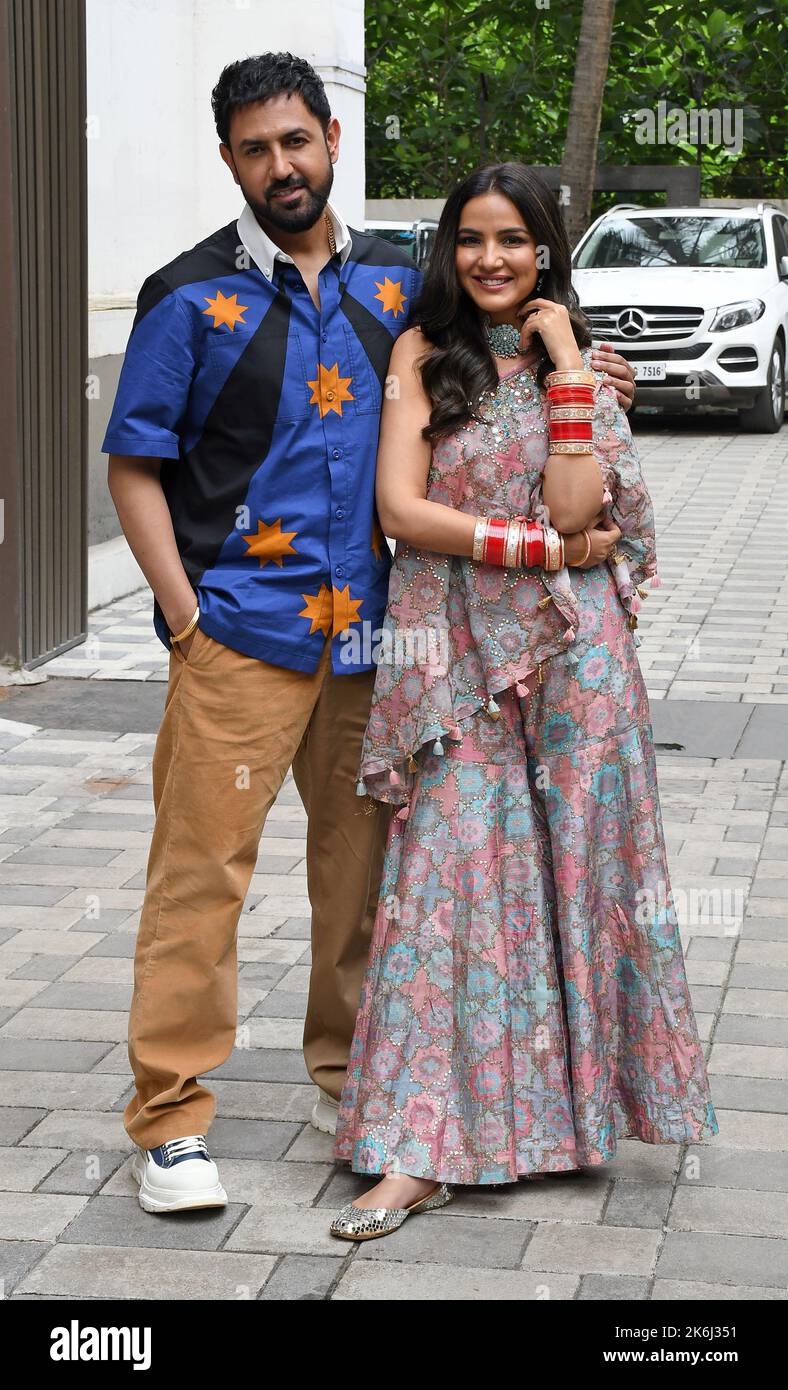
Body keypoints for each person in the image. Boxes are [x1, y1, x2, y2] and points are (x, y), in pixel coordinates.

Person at [103, 51, 635, 1214]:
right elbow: (133, 467)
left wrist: (589, 367)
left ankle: (353, 1090)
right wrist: (185, 618)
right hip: (238, 636)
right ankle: (171, 1122)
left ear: (332, 140)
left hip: (374, 650)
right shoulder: (185, 296)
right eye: (255, 148)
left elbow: (494, 345)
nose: (279, 165)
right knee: (200, 880)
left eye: (295, 140)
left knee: (361, 889)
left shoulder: (399, 284)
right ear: (230, 159)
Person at [329, 163, 718, 1242]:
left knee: (581, 877)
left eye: (512, 240)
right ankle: (414, 1151)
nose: (489, 258)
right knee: (443, 885)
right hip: (454, 661)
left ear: (544, 252)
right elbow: (401, 511)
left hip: (574, 658)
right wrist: (538, 549)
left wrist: (560, 368)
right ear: (447, 250)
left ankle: (571, 1121)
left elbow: (578, 500)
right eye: (469, 239)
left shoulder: (582, 366)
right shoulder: (420, 356)